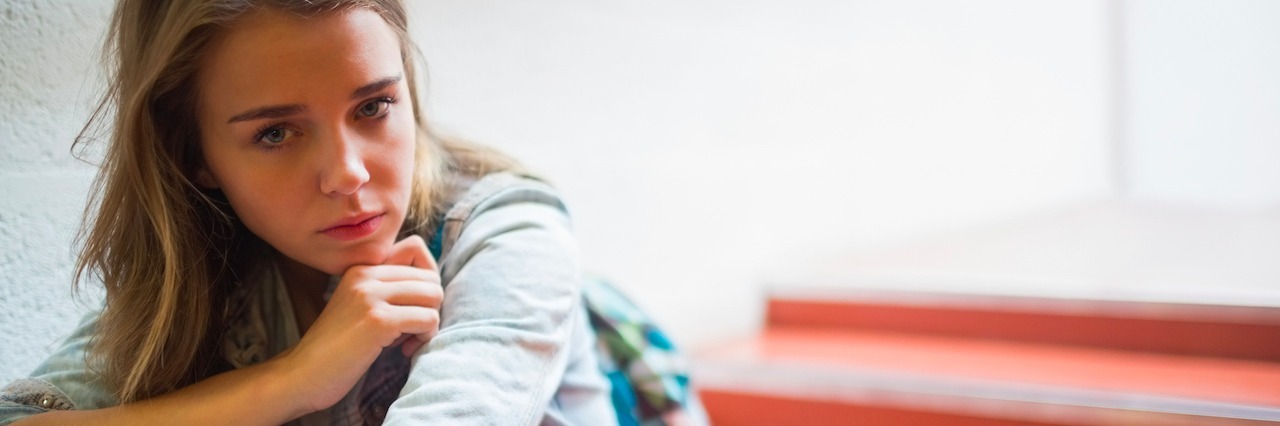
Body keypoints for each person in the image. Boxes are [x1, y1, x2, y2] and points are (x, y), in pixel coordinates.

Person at [0, 0, 652, 424]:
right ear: (192, 153)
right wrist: (292, 380)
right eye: (276, 133)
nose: (349, 174)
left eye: (372, 107)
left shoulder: (504, 229)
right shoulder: (207, 271)